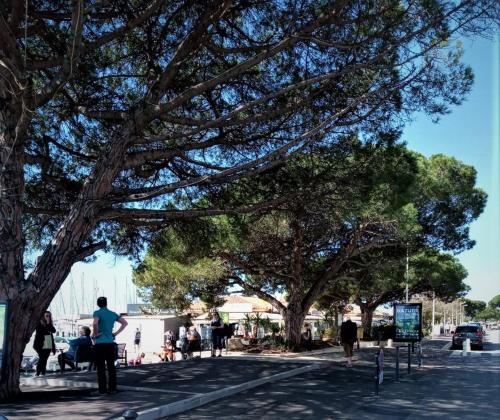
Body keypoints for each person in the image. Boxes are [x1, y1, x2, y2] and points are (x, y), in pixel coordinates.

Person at [92, 296, 128, 395]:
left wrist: (95, 335)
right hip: (110, 343)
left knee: (101, 368)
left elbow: (95, 323)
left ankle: (102, 390)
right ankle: (112, 389)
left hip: (100, 344)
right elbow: (125, 323)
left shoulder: (97, 313)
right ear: (106, 303)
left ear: (98, 304)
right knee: (111, 367)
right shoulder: (113, 314)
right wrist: (115, 333)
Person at [33, 311, 56, 376]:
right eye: (46, 316)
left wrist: (48, 323)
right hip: (39, 343)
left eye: (49, 316)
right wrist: (47, 325)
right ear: (43, 316)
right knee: (42, 357)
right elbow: (40, 333)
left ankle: (43, 373)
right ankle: (37, 373)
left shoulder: (49, 324)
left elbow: (54, 331)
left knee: (45, 358)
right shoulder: (39, 323)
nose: (48, 317)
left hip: (48, 341)